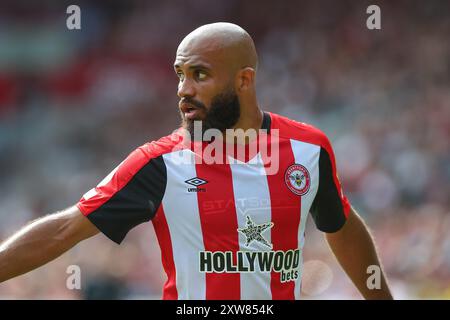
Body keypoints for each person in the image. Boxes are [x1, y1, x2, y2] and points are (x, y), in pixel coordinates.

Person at [0, 22, 393, 300]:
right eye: (179, 74)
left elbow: (340, 226)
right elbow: (64, 230)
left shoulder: (308, 149)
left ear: (244, 79)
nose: (183, 90)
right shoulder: (157, 165)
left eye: (199, 75)